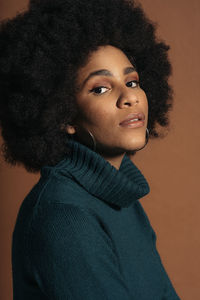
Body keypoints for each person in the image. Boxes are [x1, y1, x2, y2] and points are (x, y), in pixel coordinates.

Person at [0, 0, 181, 299]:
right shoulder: (62, 216)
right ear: (64, 115)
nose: (130, 98)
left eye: (132, 81)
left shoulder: (123, 198)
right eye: (100, 88)